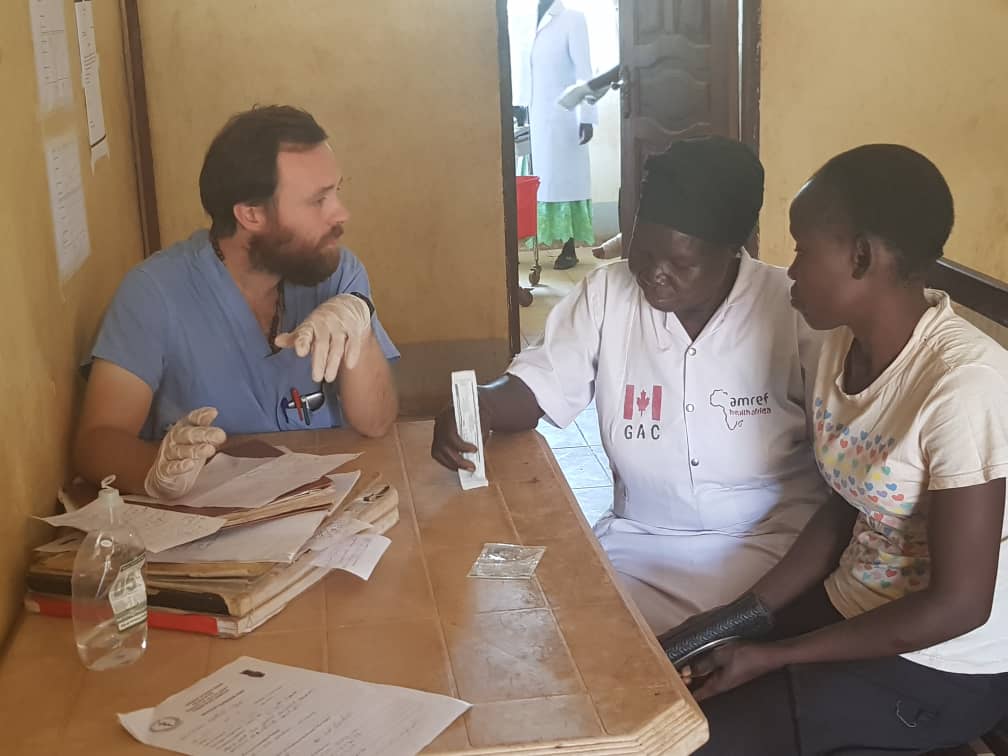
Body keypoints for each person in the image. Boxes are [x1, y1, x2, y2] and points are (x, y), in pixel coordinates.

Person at [671, 144, 1008, 754]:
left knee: (693, 740)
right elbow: (849, 504)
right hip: (851, 607)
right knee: (677, 668)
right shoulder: (841, 348)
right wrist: (742, 616)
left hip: (939, 664)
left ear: (861, 257)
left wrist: (778, 656)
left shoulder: (965, 387)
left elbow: (961, 606)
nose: (790, 269)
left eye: (801, 248)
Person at [431, 136, 829, 631]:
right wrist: (482, 407)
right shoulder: (607, 294)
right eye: (643, 252)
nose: (654, 275)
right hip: (641, 546)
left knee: (712, 668)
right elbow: (541, 382)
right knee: (569, 642)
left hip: (773, 550)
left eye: (681, 264)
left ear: (733, 249)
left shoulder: (793, 309)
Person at [74, 105, 399, 500]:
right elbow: (96, 441)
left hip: (324, 514)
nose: (340, 213)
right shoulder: (154, 293)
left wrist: (359, 331)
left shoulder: (337, 271)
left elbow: (377, 423)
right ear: (251, 214)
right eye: (318, 201)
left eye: (338, 190)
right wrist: (154, 470)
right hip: (206, 527)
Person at [512, 0, 598, 270]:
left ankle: (570, 247)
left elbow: (585, 72)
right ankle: (536, 243)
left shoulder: (572, 19)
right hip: (536, 117)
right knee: (539, 181)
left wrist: (587, 117)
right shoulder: (528, 22)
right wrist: (519, 105)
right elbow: (525, 69)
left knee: (565, 183)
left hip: (564, 119)